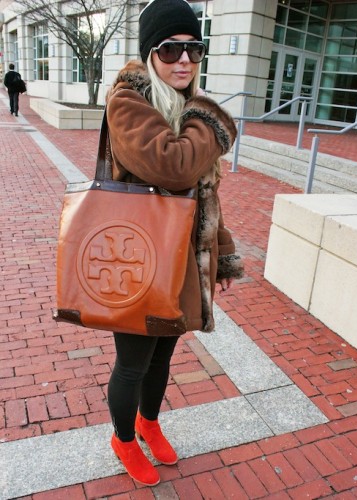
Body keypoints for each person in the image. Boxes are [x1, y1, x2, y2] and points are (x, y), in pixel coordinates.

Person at [105, 0, 244, 486]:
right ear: (150, 54)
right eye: (170, 49)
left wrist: (222, 258)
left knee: (164, 355)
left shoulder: (188, 107)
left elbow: (206, 195)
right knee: (133, 362)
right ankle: (123, 438)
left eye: (194, 48)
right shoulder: (129, 102)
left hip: (183, 262)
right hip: (139, 260)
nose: (184, 59)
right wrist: (210, 120)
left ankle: (149, 423)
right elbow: (174, 165)